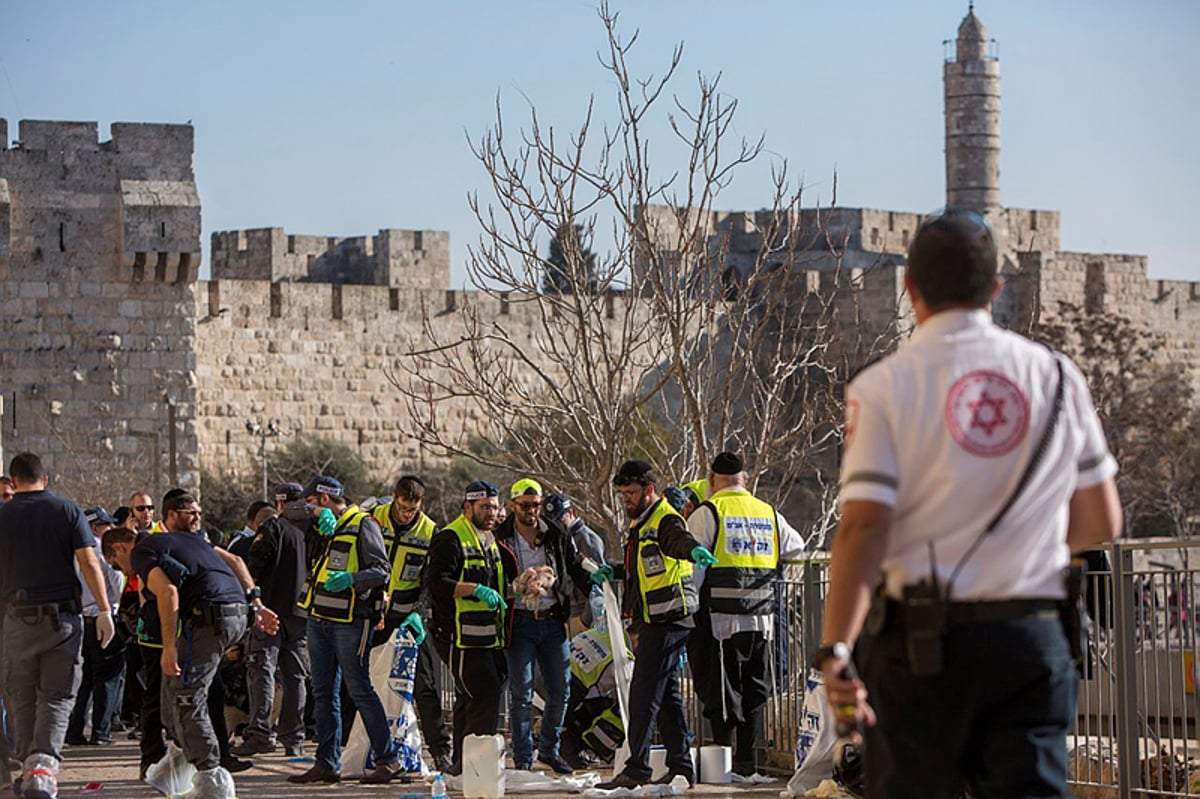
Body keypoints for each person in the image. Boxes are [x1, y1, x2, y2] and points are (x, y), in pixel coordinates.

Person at [818, 209, 1123, 799]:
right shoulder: (1058, 378)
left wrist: (834, 650)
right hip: (1031, 639)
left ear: (909, 290)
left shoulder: (883, 387)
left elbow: (862, 531)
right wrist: (1021, 550)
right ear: (996, 288)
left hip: (921, 649)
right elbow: (1101, 519)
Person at [104, 495, 280, 799]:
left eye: (116, 565)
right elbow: (236, 562)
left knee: (187, 697)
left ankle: (213, 777)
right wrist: (258, 605)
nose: (123, 572)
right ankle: (177, 765)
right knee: (171, 693)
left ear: (120, 548)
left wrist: (168, 647)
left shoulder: (144, 551)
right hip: (236, 613)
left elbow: (169, 593)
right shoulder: (189, 541)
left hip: (210, 618)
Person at [593, 459, 716, 790]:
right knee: (666, 695)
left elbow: (678, 541)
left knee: (643, 693)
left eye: (631, 493)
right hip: (656, 620)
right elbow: (642, 568)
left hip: (670, 618)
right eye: (622, 494)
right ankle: (681, 767)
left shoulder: (665, 519)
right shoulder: (642, 524)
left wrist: (695, 552)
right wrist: (615, 571)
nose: (626, 500)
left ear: (650, 490)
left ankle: (637, 769)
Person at [0, 452, 116, 799]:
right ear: (46, 479)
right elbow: (89, 562)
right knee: (57, 694)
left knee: (20, 693)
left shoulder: (3, 515)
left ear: (14, 480)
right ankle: (42, 767)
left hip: (16, 618)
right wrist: (105, 610)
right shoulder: (67, 511)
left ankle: (26, 765)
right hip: (61, 620)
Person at [686, 451, 808, 777]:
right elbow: (797, 546)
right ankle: (746, 762)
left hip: (720, 620)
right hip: (763, 618)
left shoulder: (708, 511)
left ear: (712, 480)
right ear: (745, 479)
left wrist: (690, 609)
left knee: (723, 694)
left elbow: (694, 567)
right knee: (755, 690)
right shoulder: (767, 512)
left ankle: (723, 767)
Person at [288, 476, 402, 785]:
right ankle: (327, 763)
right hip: (319, 617)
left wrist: (352, 579)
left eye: (312, 503)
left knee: (359, 688)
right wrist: (314, 514)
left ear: (324, 499)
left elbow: (381, 570)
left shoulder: (362, 524)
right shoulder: (323, 525)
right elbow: (286, 512)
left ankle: (388, 759)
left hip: (351, 620)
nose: (308, 508)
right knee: (323, 692)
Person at [497, 479, 592, 774]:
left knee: (561, 689)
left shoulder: (554, 533)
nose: (531, 511)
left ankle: (549, 749)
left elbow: (574, 564)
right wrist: (515, 588)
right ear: (513, 505)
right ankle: (524, 756)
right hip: (519, 620)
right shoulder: (500, 537)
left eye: (536, 505)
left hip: (551, 619)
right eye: (525, 505)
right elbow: (492, 573)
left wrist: (595, 582)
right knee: (521, 692)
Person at [423, 480, 510, 776]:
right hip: (458, 636)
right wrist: (474, 589)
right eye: (484, 507)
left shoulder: (489, 538)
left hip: (487, 636)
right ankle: (477, 765)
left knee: (470, 697)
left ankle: (461, 766)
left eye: (494, 507)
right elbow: (436, 583)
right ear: (467, 506)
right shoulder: (451, 537)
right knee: (484, 693)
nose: (490, 512)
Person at [370, 474, 452, 772]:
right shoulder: (372, 518)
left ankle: (441, 750)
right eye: (403, 508)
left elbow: (430, 579)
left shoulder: (430, 531)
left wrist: (418, 611)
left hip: (407, 619)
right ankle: (364, 749)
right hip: (371, 615)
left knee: (424, 685)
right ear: (393, 497)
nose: (407, 514)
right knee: (362, 683)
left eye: (413, 510)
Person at [232, 499, 310, 758]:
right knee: (295, 676)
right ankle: (294, 738)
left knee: (262, 669)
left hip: (270, 612)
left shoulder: (272, 528)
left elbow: (255, 568)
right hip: (300, 612)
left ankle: (261, 733)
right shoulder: (309, 532)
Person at [65, 507, 127, 747]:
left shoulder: (70, 552)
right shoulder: (103, 552)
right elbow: (117, 585)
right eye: (104, 525)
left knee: (84, 680)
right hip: (105, 618)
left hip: (80, 620)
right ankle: (101, 731)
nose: (110, 529)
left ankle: (74, 730)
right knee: (108, 677)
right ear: (93, 527)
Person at [543, 492, 607, 628]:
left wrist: (586, 620)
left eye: (560, 519)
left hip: (584, 613)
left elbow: (599, 583)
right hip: (567, 612)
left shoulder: (586, 540)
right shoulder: (555, 540)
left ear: (570, 513)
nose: (556, 525)